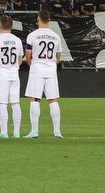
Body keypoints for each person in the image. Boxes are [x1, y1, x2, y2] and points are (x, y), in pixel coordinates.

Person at [24, 9, 63, 138]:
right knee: (53, 100)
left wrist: (33, 65)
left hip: (37, 68)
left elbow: (28, 56)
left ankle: (34, 131)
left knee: (35, 99)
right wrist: (51, 64)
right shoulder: (56, 36)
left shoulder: (32, 35)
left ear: (38, 19)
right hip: (51, 68)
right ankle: (57, 131)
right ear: (49, 20)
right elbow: (58, 57)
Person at [0, 14, 24, 138]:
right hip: (14, 74)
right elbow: (20, 59)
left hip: (1, 74)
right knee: (15, 102)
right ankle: (17, 132)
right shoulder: (17, 40)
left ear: (0, 26)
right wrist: (14, 68)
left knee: (2, 103)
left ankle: (4, 132)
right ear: (12, 26)